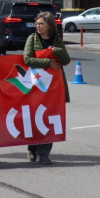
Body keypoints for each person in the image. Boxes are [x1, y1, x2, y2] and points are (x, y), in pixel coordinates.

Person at [23, 11, 70, 164]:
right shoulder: (32, 38)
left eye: (41, 23)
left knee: (49, 119)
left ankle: (44, 154)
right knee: (35, 118)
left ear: (49, 25)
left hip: (54, 87)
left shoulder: (57, 40)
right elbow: (27, 59)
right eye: (36, 23)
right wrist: (48, 62)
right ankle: (32, 148)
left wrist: (55, 51)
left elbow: (66, 60)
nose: (38, 26)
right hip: (36, 86)